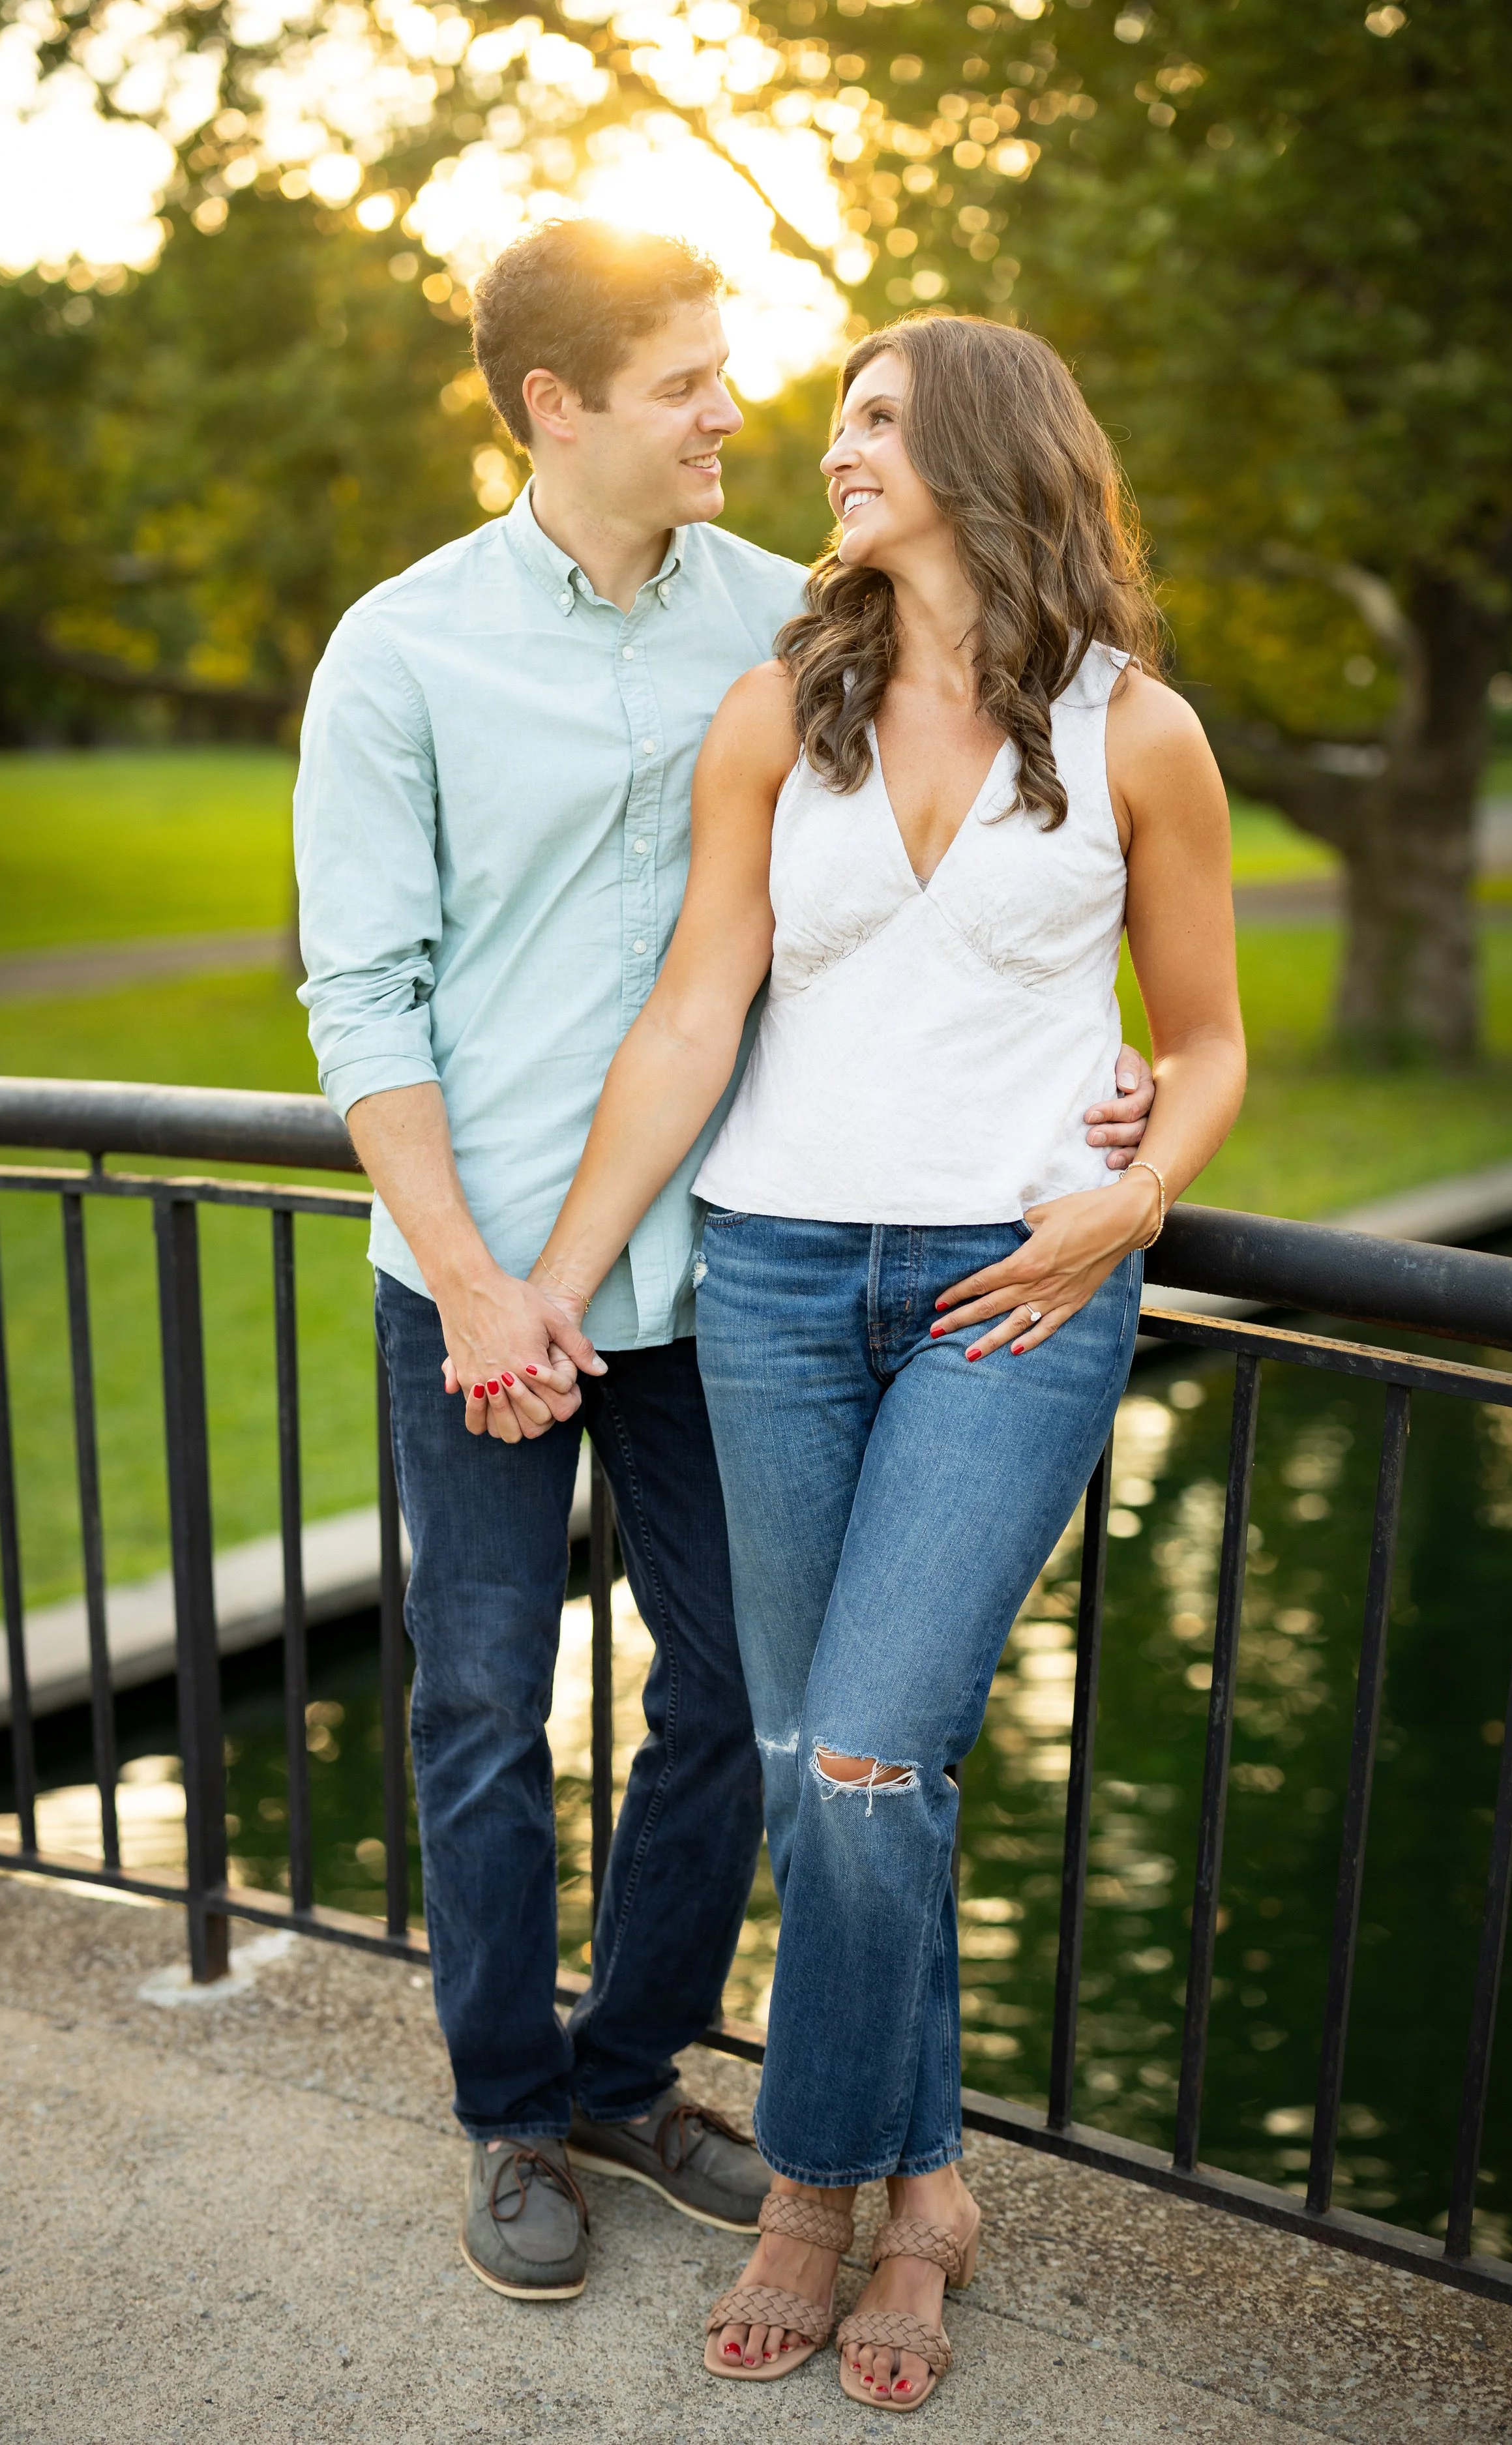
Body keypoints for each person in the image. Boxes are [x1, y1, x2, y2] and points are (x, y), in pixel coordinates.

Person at [294, 224, 1157, 2308]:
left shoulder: (806, 615)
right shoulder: (400, 650)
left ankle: (625, 2071)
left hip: (735, 1270)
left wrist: (1094, 1068)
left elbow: (982, 826)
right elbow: (363, 1000)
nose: (731, 412)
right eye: (687, 379)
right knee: (488, 1704)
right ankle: (510, 2109)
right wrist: (486, 1281)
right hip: (490, 1271)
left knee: (738, 1718)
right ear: (554, 407)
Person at [507, 312, 1245, 2405]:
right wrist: (557, 1273)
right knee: (838, 1766)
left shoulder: (1135, 733)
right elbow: (687, 1017)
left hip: (1010, 1288)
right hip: (772, 1278)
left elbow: (1201, 1038)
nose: (830, 450)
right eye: (831, 418)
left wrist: (1132, 1196)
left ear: (990, 452)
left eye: (877, 423)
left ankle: (819, 2188)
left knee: (856, 1753)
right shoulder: (777, 713)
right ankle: (932, 2185)